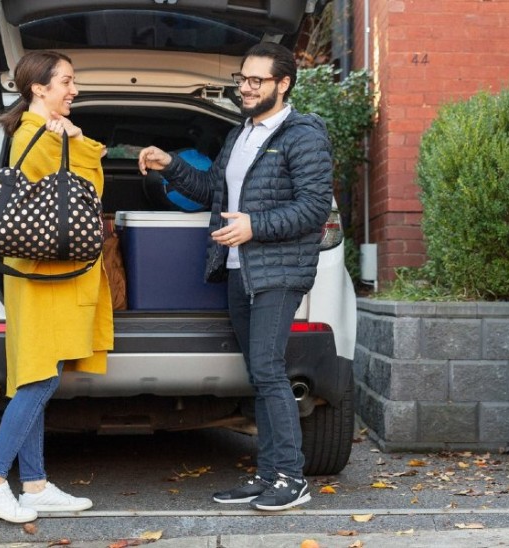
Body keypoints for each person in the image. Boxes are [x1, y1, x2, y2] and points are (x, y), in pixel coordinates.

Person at [136, 42, 333, 512]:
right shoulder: (239, 135)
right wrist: (171, 164)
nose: (245, 87)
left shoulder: (302, 135)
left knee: (268, 369)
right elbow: (211, 189)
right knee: (258, 373)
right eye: (243, 78)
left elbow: (313, 208)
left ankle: (290, 477)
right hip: (240, 268)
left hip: (279, 271)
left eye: (256, 80)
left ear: (283, 84)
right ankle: (268, 475)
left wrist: (253, 225)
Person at [0, 50, 114, 524]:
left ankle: (35, 485)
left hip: (41, 276)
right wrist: (81, 141)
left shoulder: (35, 133)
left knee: (35, 374)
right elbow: (91, 194)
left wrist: (74, 137)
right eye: (66, 82)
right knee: (38, 378)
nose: (74, 90)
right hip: (48, 277)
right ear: (38, 89)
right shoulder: (42, 136)